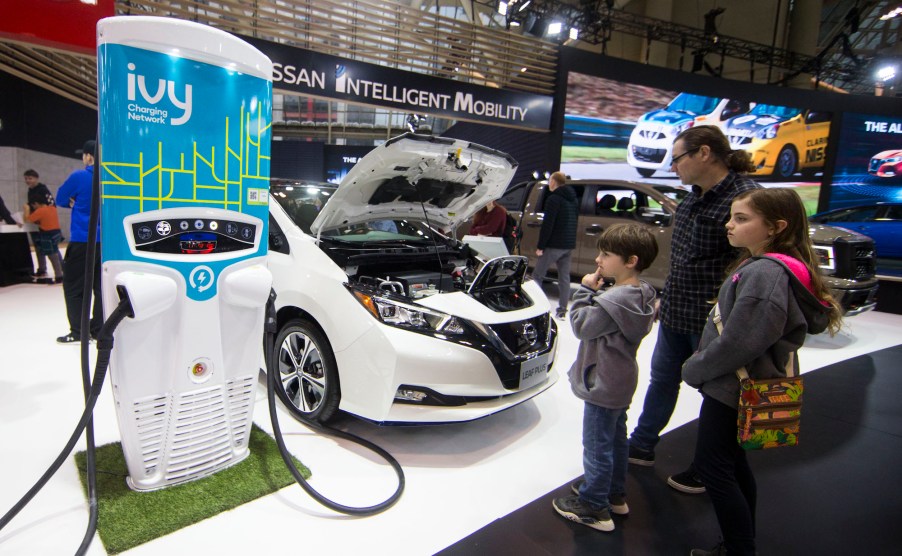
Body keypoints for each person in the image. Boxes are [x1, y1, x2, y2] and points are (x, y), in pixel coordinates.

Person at [682, 188, 842, 556]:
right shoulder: (772, 268)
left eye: (742, 219)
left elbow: (741, 342)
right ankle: (739, 546)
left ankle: (740, 550)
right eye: (732, 217)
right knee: (733, 464)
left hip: (734, 386)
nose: (729, 225)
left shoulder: (765, 274)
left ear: (775, 227)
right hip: (744, 384)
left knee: (714, 467)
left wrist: (694, 368)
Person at [628, 125, 761, 495]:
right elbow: (684, 259)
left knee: (718, 398)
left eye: (677, 158)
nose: (674, 167)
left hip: (715, 321)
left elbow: (753, 264)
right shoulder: (692, 198)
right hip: (676, 312)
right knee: (662, 380)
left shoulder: (746, 199)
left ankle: (709, 466)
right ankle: (641, 444)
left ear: (704, 153)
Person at [553, 223, 658, 532]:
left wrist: (585, 291)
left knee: (597, 445)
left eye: (607, 254)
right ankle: (614, 494)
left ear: (631, 261)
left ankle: (594, 506)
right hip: (621, 381)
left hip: (603, 382)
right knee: (615, 440)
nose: (599, 259)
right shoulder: (641, 293)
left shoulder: (613, 302)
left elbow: (581, 325)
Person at [56, 140, 102, 344]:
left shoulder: (80, 176)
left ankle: (78, 331)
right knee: (100, 287)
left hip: (83, 239)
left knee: (74, 287)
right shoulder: (111, 178)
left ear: (88, 156)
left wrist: (73, 202)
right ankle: (99, 328)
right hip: (106, 242)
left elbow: (60, 198)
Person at [531, 171, 578, 319]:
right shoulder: (573, 199)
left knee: (537, 275)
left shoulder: (554, 199)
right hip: (568, 244)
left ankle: (537, 309)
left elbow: (548, 224)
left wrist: (541, 246)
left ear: (553, 182)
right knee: (564, 278)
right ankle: (562, 311)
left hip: (554, 244)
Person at [24, 169, 58, 279]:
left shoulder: (43, 190)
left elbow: (51, 204)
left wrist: (43, 216)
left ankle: (61, 271)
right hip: (36, 222)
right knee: (39, 247)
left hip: (45, 225)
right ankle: (42, 269)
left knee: (52, 249)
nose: (28, 181)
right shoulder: (30, 190)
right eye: (26, 178)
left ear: (36, 178)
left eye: (30, 178)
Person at [23, 198, 63, 284]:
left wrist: (26, 209)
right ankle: (59, 274)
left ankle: (59, 276)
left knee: (52, 255)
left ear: (36, 203)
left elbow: (27, 220)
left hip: (47, 234)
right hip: (57, 233)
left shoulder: (40, 211)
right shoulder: (52, 208)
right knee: (54, 253)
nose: (34, 208)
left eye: (33, 205)